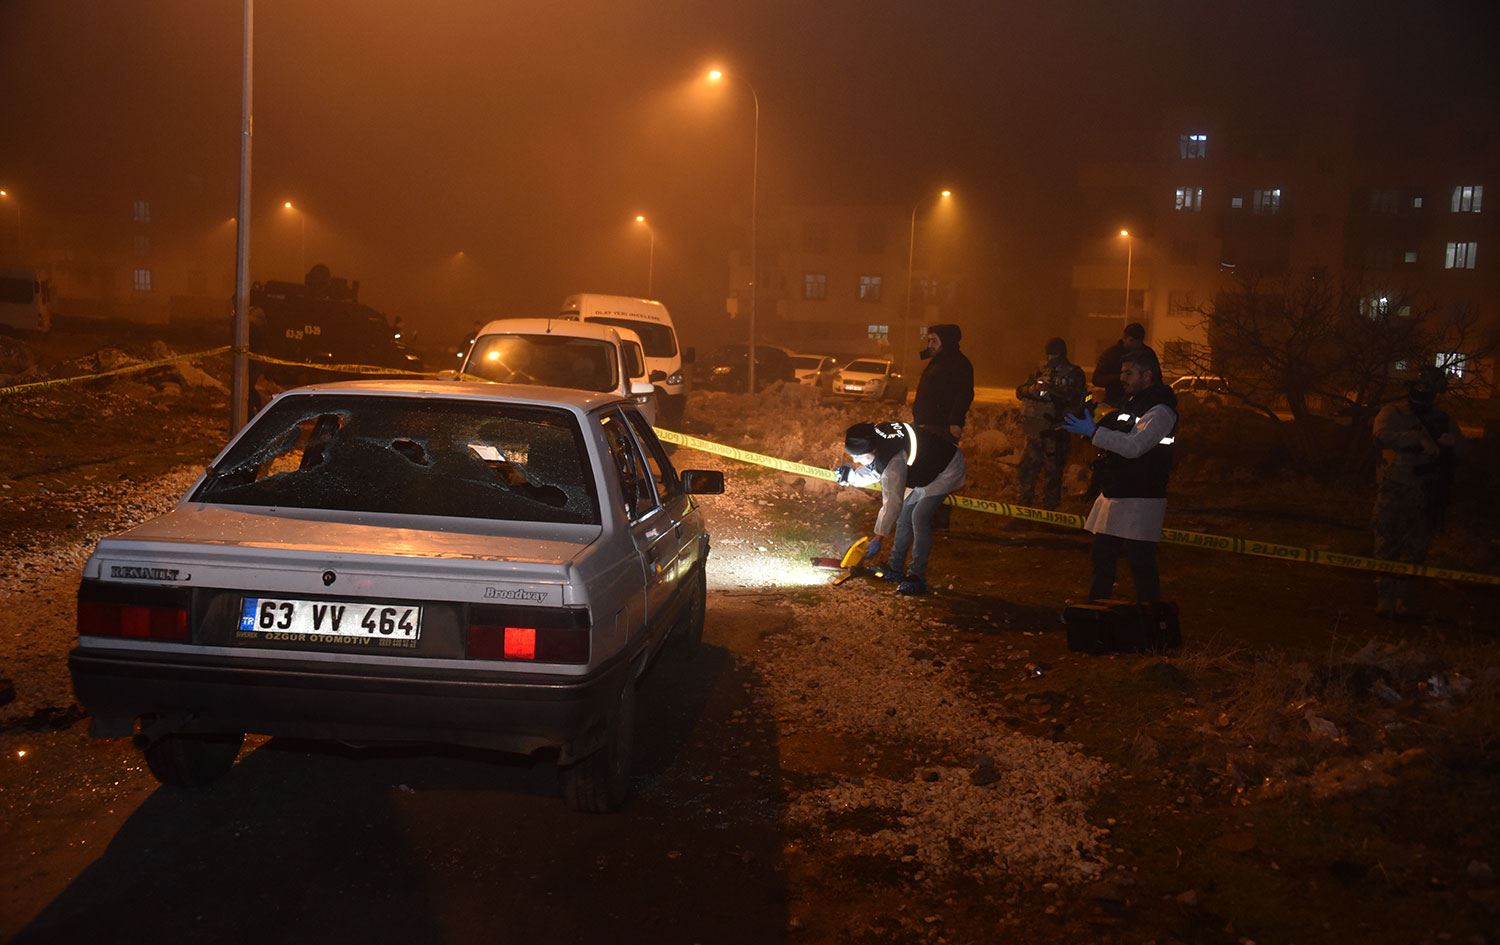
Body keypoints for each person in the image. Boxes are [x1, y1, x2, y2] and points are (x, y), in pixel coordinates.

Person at [1062, 346, 1177, 602]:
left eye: (1128, 373)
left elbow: (1135, 446)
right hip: (1117, 491)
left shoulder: (1161, 411)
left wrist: (1094, 433)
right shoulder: (1134, 402)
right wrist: (1095, 419)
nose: (1122, 378)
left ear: (1147, 376)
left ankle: (1153, 621)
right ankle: (1094, 615)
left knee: (1141, 564)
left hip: (1141, 497)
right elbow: (1119, 430)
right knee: (1102, 558)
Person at [1370, 365, 1465, 619]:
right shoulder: (1393, 412)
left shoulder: (1442, 418)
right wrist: (1414, 439)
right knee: (1387, 543)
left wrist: (1450, 445)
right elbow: (1381, 436)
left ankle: (1403, 599)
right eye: (1421, 388)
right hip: (1395, 488)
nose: (1424, 394)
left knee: (1416, 548)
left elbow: (1461, 451)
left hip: (1426, 493)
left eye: (1429, 390)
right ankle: (1385, 597)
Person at [834, 420, 966, 596]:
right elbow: (876, 469)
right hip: (924, 467)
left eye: (857, 457)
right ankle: (894, 568)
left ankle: (917, 578)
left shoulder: (893, 460)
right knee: (905, 516)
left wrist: (878, 538)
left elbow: (892, 502)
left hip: (945, 469)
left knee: (919, 517)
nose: (854, 460)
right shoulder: (877, 439)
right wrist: (852, 477)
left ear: (871, 451)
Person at [1015, 337, 1088, 510]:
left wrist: (1052, 390)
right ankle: (1023, 512)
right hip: (1036, 431)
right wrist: (1033, 389)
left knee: (1053, 474)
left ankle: (1049, 515)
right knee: (1026, 471)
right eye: (1049, 354)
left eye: (1054, 354)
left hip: (1056, 431)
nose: (1051, 359)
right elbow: (1020, 391)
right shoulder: (1041, 371)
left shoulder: (1074, 373)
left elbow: (1076, 399)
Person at [911, 324, 974, 443]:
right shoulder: (937, 362)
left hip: (941, 427)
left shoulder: (959, 364)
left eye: (934, 341)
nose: (929, 345)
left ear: (946, 341)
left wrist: (955, 422)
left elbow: (964, 394)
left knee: (938, 460)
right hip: (925, 424)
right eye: (929, 340)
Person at [1091, 322, 1146, 408]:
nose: (1135, 345)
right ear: (1125, 338)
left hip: (1140, 403)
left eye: (1138, 342)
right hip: (1114, 403)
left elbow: (1156, 379)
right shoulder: (1111, 354)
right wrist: (1118, 377)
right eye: (1132, 341)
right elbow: (1097, 379)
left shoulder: (1147, 354)